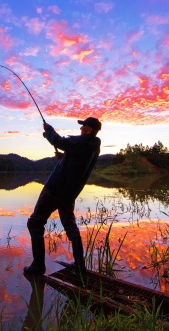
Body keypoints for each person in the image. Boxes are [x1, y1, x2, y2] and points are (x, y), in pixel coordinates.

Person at [23, 117, 102, 276]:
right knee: (70, 225)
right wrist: (63, 157)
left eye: (83, 127)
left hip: (55, 189)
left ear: (89, 130)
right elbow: (76, 160)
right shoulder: (92, 147)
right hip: (69, 193)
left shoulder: (83, 142)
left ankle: (38, 267)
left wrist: (49, 131)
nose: (80, 129)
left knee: (35, 222)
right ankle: (80, 266)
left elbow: (60, 142)